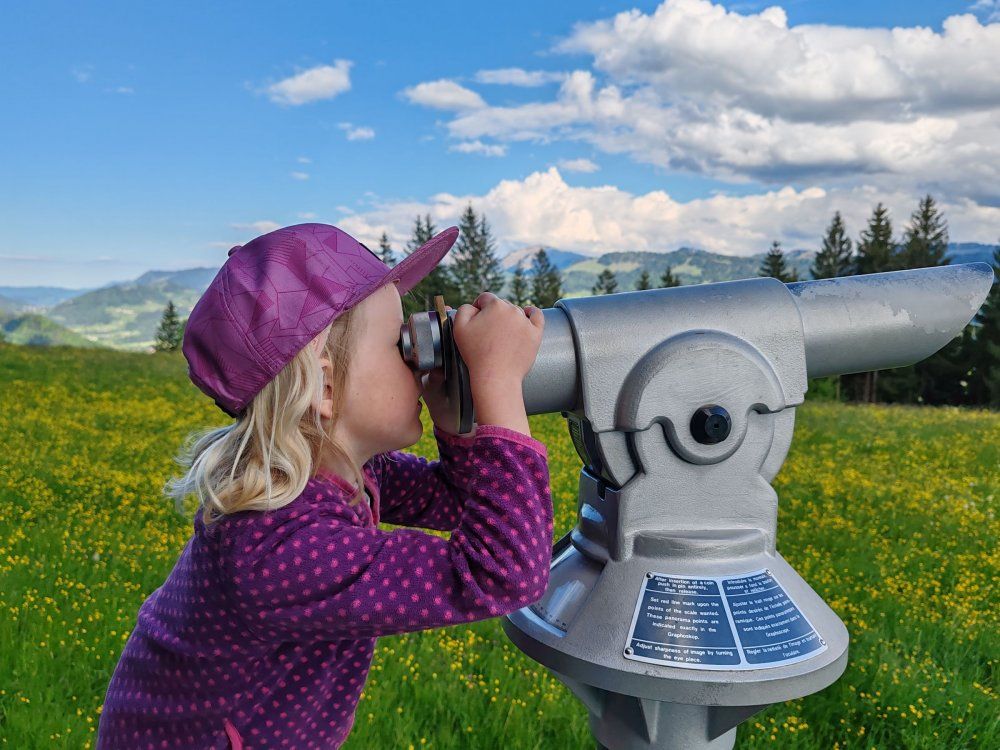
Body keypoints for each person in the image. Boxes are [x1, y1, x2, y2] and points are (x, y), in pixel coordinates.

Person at [95, 222, 552, 749]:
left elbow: (456, 501)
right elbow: (503, 574)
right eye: (398, 343)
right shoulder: (277, 548)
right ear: (327, 384)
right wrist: (498, 383)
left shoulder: (333, 469)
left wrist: (456, 423)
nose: (418, 357)